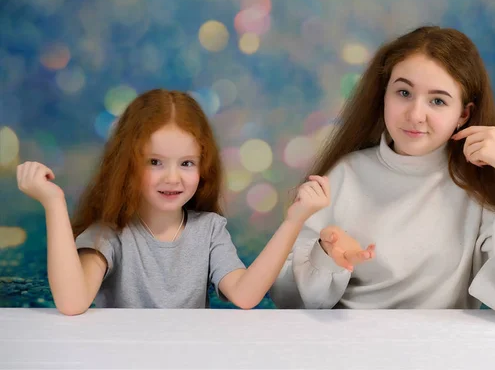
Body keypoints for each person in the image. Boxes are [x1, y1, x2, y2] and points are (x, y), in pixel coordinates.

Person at [270, 26, 495, 323]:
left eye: (437, 100)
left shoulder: (476, 189)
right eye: (403, 93)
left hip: (441, 353)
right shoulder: (344, 175)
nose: (415, 114)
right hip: (348, 347)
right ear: (384, 96)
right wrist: (325, 256)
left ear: (463, 114)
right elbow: (286, 299)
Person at [16, 89, 330, 315]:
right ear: (128, 165)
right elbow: (72, 303)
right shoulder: (109, 234)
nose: (172, 178)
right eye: (155, 162)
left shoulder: (209, 229)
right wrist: (54, 204)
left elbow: (246, 295)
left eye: (186, 164)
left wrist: (294, 220)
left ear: (203, 167)